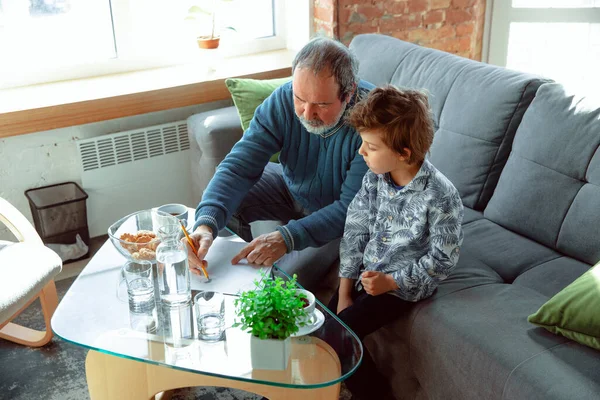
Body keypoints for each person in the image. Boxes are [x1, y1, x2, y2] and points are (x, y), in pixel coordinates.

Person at [187, 37, 374, 288]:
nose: (307, 114)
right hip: (291, 188)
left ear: (349, 92)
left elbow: (350, 210)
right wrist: (205, 224)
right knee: (224, 203)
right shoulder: (282, 100)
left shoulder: (374, 118)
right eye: (300, 99)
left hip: (341, 219)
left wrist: (286, 237)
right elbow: (238, 166)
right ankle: (229, 279)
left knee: (283, 283)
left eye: (321, 104)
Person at [330, 85, 464, 400]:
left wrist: (391, 282)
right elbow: (355, 230)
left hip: (403, 288)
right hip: (368, 274)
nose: (361, 152)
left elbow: (442, 261)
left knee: (338, 335)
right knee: (322, 322)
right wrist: (345, 291)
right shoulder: (373, 179)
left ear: (403, 152)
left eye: (370, 146)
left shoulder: (442, 196)